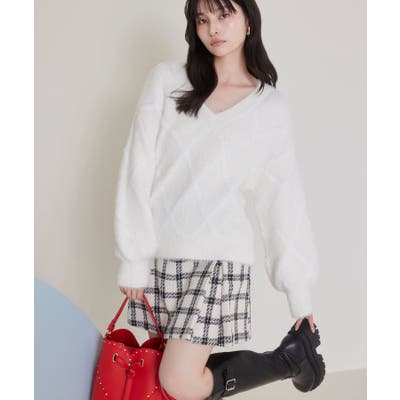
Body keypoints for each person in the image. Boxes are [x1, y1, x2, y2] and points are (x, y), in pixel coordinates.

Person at [114, 0, 325, 399]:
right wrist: (133, 256)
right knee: (165, 380)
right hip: (162, 256)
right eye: (202, 19)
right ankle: (293, 356)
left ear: (248, 21)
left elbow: (282, 201)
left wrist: (298, 293)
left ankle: (288, 360)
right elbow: (136, 166)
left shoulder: (269, 108)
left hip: (219, 260)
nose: (213, 28)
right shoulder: (167, 80)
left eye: (224, 14)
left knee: (177, 378)